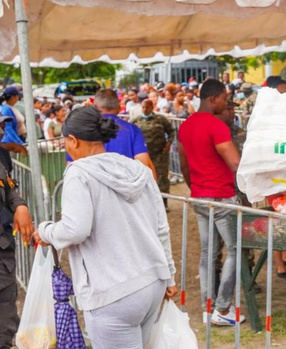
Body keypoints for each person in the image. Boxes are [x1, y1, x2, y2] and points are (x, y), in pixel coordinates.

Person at [34, 106, 177, 348]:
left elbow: (75, 229)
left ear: (73, 140)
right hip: (152, 281)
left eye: (66, 143)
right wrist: (169, 275)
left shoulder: (78, 173)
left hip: (112, 291)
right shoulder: (138, 170)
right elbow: (160, 226)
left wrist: (46, 230)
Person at [177, 79, 246, 326]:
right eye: (225, 99)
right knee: (235, 251)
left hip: (200, 196)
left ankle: (209, 308)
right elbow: (236, 163)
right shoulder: (216, 126)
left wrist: (194, 187)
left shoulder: (186, 125)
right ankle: (222, 308)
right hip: (221, 197)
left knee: (208, 253)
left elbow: (184, 164)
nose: (227, 102)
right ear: (213, 99)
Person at [66, 89, 157, 179]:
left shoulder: (81, 130)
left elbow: (71, 167)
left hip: (92, 188)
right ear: (119, 108)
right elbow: (145, 166)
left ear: (95, 107)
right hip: (126, 187)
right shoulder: (133, 130)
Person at [0, 114, 33, 348]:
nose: (2, 130)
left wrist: (20, 205)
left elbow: (9, 186)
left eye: (2, 125)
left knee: (5, 319)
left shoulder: (1, 155)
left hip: (2, 251)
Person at [131, 100, 175, 209]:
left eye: (147, 107)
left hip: (160, 155)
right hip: (143, 155)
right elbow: (129, 134)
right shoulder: (136, 120)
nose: (145, 110)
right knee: (142, 177)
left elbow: (171, 131)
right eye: (143, 107)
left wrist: (169, 143)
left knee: (161, 178)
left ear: (152, 107)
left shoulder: (160, 119)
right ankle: (146, 204)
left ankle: (163, 204)